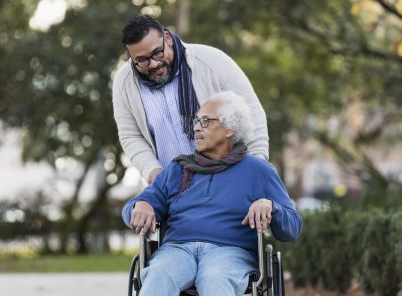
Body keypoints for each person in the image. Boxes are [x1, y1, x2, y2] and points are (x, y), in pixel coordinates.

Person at [122, 92, 302, 296]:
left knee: (214, 279)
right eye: (197, 121)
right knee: (159, 275)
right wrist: (140, 205)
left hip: (230, 252)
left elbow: (293, 227)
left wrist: (270, 206)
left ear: (230, 128)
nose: (196, 127)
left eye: (206, 121)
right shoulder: (178, 169)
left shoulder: (259, 171)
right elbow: (133, 208)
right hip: (177, 250)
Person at [113, 14, 268, 183]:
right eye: (141, 60)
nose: (153, 64)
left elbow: (251, 113)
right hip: (173, 191)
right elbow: (130, 135)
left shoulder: (212, 61)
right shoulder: (124, 82)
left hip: (229, 181)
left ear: (167, 37)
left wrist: (257, 167)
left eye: (157, 53)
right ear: (130, 57)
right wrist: (153, 171)